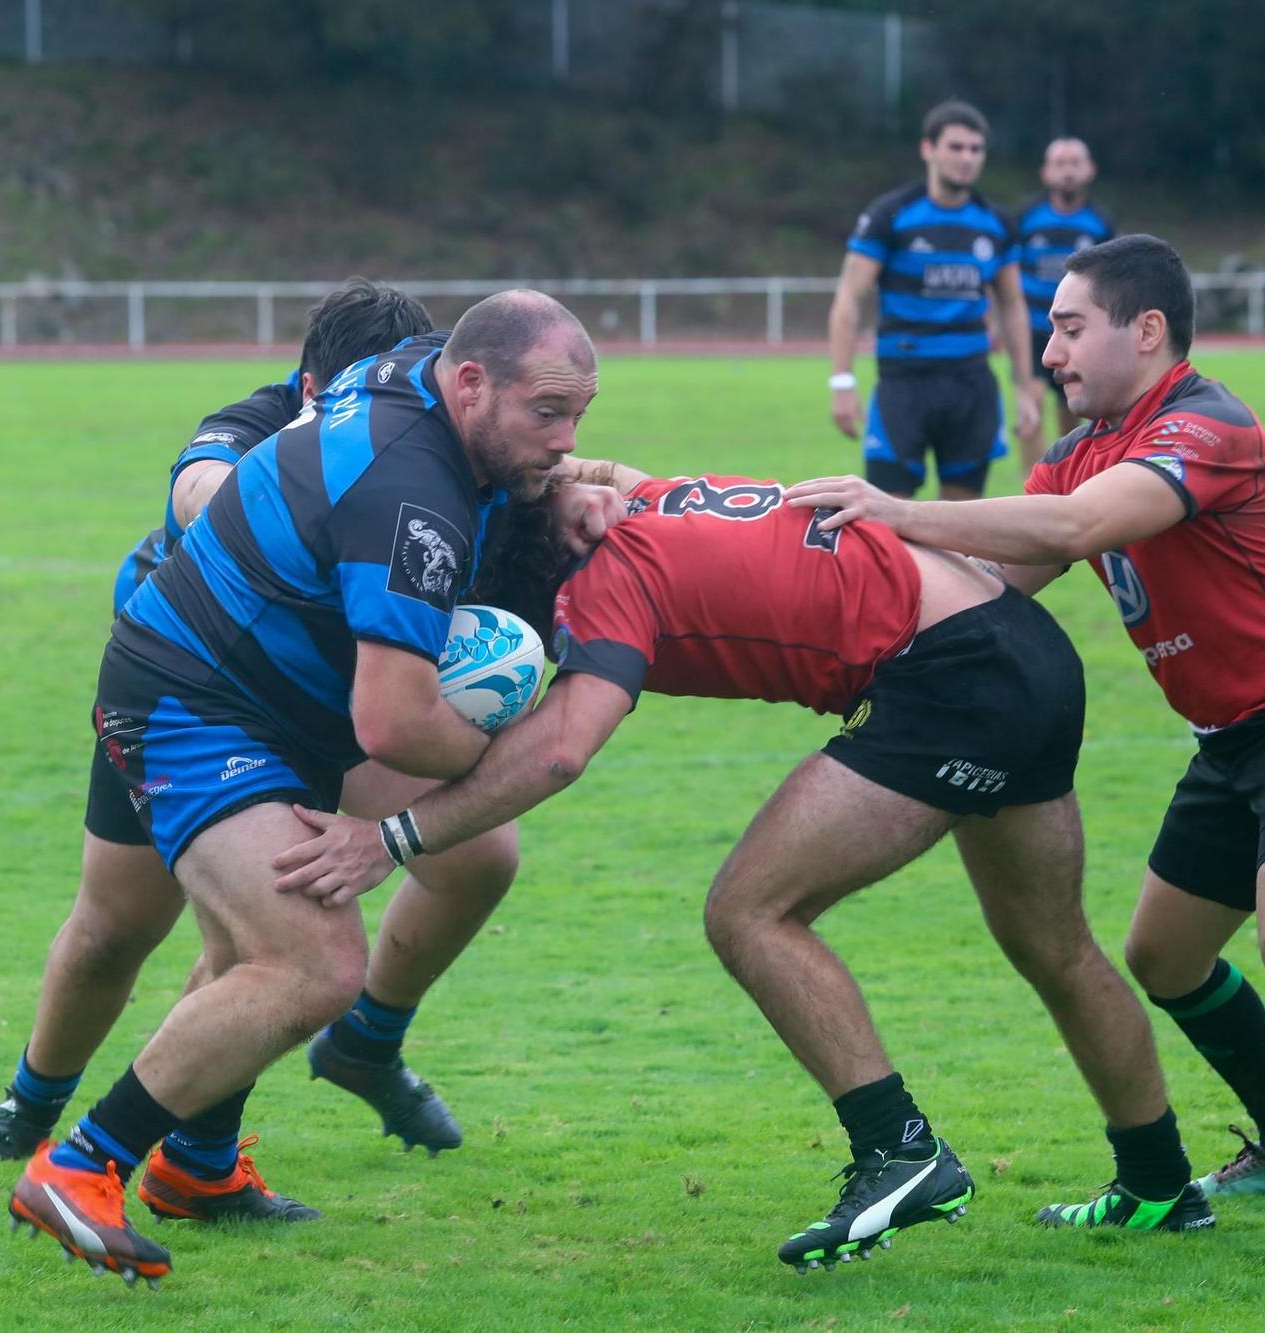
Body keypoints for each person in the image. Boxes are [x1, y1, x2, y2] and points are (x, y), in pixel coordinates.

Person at [273, 469, 1216, 1270]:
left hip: (951, 676)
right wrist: (561, 485)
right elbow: (576, 479)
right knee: (1054, 944)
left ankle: (901, 1150)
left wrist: (390, 836)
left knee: (751, 911)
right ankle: (1162, 1181)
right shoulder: (634, 494)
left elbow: (562, 750)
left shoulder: (600, 583)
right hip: (1022, 647)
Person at [786, 233, 1265, 1203]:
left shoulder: (1203, 423)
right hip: (1227, 739)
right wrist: (802, 574)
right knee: (1161, 957)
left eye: (1065, 327)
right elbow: (996, 578)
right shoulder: (1076, 452)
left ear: (1144, 332)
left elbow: (1074, 529)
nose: (1047, 352)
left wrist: (894, 509)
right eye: (1047, 329)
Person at [5, 290, 622, 1284]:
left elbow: (532, 448)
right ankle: (78, 1167)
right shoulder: (410, 496)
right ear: (468, 382)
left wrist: (572, 483)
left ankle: (196, 1169)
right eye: (547, 415)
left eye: (577, 416)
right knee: (312, 960)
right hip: (191, 705)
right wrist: (495, 743)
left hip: (266, 698)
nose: (566, 437)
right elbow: (394, 725)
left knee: (255, 942)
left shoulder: (423, 376)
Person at [0, 281, 511, 1191]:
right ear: (307, 384)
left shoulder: (429, 446)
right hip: (191, 688)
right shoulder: (280, 425)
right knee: (118, 927)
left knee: (476, 851)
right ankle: (33, 1101)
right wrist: (324, 495)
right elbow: (198, 494)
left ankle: (354, 1050)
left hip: (323, 697)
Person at [827, 100, 1040, 500]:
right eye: (956, 147)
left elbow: (1012, 307)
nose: (967, 158)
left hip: (970, 384)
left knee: (960, 525)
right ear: (929, 149)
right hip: (903, 383)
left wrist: (1025, 386)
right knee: (886, 520)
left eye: (976, 150)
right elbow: (849, 299)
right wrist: (842, 381)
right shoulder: (890, 215)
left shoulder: (997, 224)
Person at [1015, 138, 1116, 468]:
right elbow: (1005, 275)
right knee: (1029, 407)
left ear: (1090, 170)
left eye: (1075, 163)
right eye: (1060, 164)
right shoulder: (1026, 219)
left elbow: (1110, 280)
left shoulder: (1100, 223)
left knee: (1071, 410)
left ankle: (1065, 480)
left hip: (1077, 332)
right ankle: (1032, 489)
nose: (1068, 171)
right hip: (1031, 328)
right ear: (1046, 172)